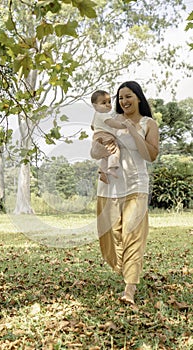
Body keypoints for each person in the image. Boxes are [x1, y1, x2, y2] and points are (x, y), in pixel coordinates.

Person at [90, 81, 159, 304]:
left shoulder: (149, 123)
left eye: (128, 96)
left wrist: (132, 129)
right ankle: (124, 266)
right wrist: (98, 149)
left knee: (133, 237)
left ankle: (129, 288)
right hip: (109, 187)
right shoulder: (112, 121)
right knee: (110, 237)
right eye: (120, 98)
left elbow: (150, 156)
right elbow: (95, 150)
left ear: (138, 97)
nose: (123, 101)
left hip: (136, 186)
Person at [91, 90, 126, 184]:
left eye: (109, 102)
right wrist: (124, 125)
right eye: (103, 103)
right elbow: (112, 123)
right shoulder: (103, 114)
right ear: (95, 106)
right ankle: (111, 167)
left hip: (98, 136)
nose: (108, 104)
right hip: (105, 136)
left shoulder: (96, 114)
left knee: (106, 155)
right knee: (114, 151)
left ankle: (102, 172)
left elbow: (92, 126)